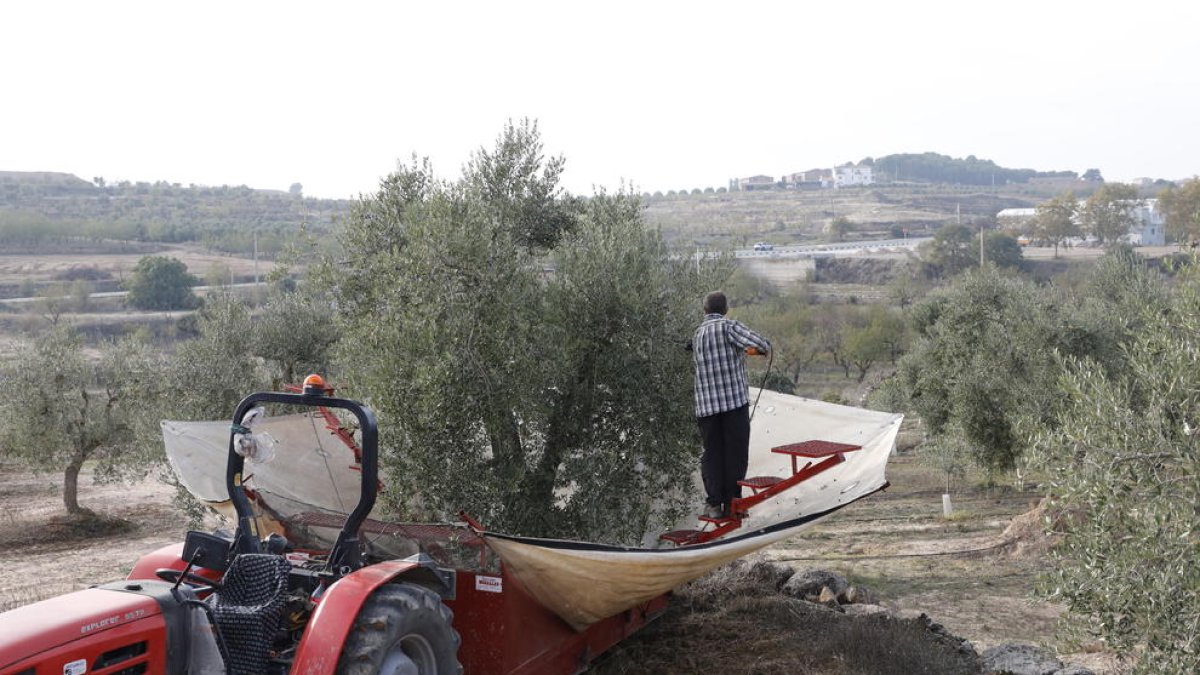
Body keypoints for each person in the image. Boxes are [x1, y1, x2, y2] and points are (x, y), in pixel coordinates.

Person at [690, 291, 771, 519]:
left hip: (706, 407)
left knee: (712, 454)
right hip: (733, 403)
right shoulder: (729, 327)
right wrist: (759, 350)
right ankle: (734, 503)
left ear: (705, 310)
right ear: (725, 309)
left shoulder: (697, 334)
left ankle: (714, 505)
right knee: (735, 453)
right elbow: (761, 344)